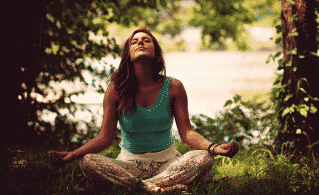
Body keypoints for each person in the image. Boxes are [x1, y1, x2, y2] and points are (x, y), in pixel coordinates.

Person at [48, 27, 239, 193]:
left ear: (156, 52)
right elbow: (104, 138)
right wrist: (73, 155)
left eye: (146, 40)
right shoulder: (116, 89)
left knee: (205, 157)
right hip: (129, 165)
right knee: (88, 161)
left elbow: (187, 133)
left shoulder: (174, 87)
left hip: (168, 164)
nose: (140, 43)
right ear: (128, 54)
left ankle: (140, 187)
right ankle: (157, 188)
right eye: (135, 41)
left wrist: (214, 147)